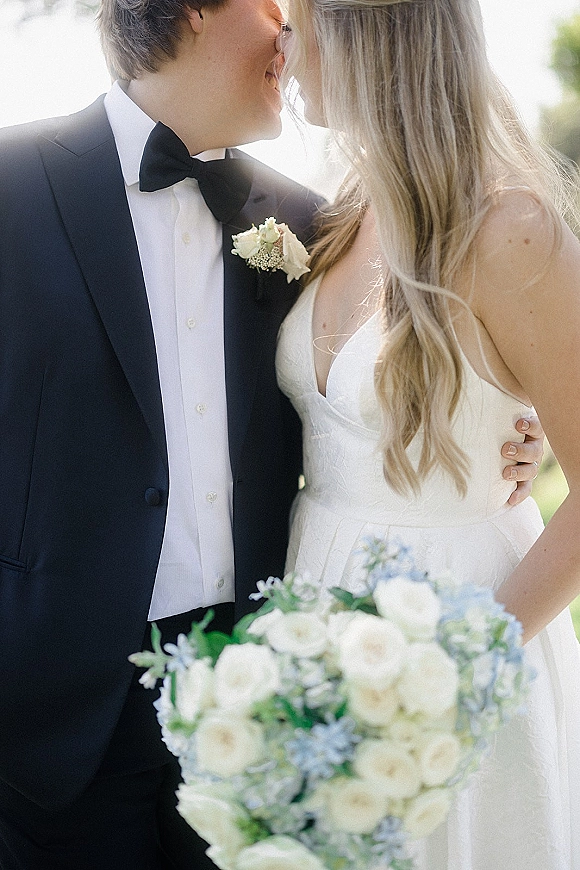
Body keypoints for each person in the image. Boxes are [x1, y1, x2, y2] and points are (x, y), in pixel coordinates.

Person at [0, 0, 542, 867]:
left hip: (264, 697)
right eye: (271, 9)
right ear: (192, 12)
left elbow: (396, 376)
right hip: (48, 718)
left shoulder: (312, 222)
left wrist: (511, 429)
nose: (291, 35)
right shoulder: (11, 184)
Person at [275, 0, 580, 867]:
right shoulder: (341, 212)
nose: (285, 54)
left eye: (299, 27)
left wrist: (455, 666)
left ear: (362, 33)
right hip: (316, 605)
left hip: (467, 624)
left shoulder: (510, 228)